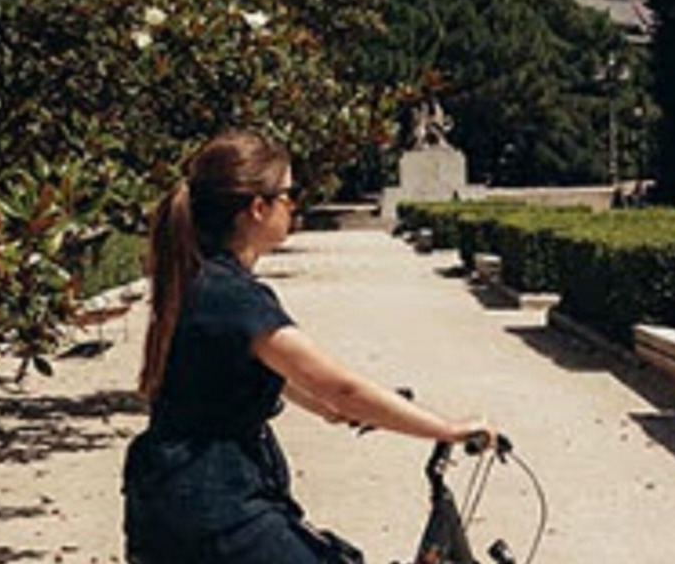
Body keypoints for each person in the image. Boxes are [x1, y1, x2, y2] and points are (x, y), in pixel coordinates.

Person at [122, 130, 491, 564]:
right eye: (288, 195)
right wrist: (449, 429)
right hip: (215, 509)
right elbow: (342, 387)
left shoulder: (202, 280)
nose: (294, 206)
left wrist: (326, 409)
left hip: (176, 498)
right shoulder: (236, 297)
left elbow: (261, 372)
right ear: (258, 208)